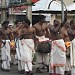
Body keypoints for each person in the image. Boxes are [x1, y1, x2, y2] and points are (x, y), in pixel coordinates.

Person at [49, 10, 67, 75]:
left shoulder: (59, 26)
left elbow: (65, 20)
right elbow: (55, 31)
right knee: (54, 58)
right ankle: (53, 72)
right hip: (55, 43)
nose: (57, 22)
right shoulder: (51, 27)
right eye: (55, 21)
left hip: (60, 43)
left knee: (61, 57)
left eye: (58, 21)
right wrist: (59, 25)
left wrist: (65, 15)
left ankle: (61, 72)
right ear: (53, 22)